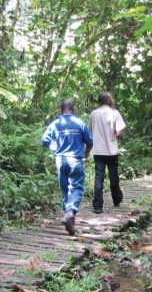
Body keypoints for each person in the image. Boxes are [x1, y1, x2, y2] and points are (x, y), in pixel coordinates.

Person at [41, 99, 93, 235]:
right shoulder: (80, 123)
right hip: (75, 160)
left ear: (61, 110)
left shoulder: (56, 124)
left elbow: (44, 140)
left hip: (60, 160)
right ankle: (70, 213)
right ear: (73, 109)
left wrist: (55, 148)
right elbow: (90, 141)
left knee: (65, 188)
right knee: (76, 187)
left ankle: (68, 216)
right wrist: (86, 153)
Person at [88, 91, 126, 214]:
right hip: (111, 150)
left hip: (98, 151)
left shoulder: (94, 114)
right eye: (111, 97)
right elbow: (119, 131)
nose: (112, 99)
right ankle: (117, 199)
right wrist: (117, 134)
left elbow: (90, 130)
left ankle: (98, 206)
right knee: (113, 175)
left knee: (99, 177)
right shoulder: (115, 113)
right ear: (108, 100)